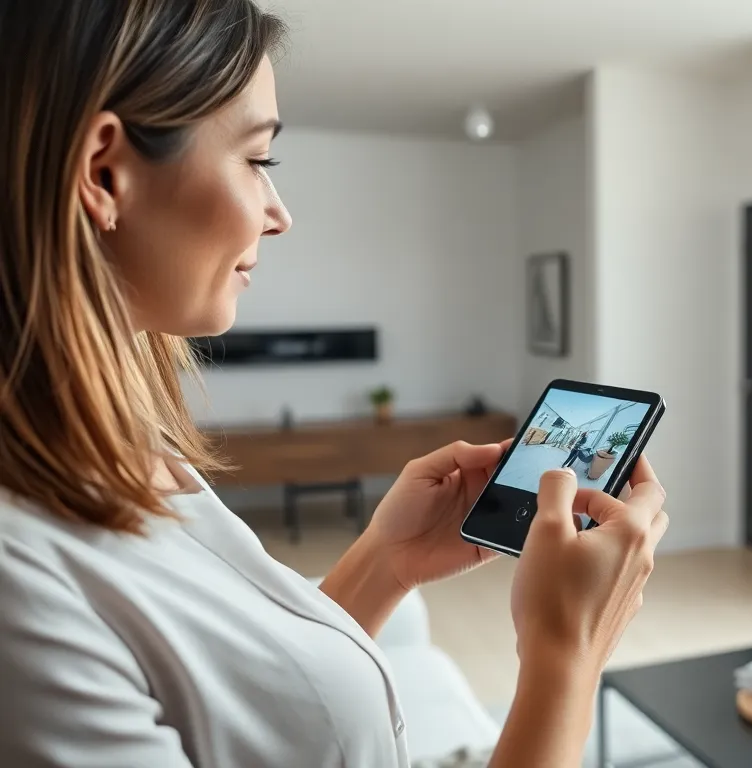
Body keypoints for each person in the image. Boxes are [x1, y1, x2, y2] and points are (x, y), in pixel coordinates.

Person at [0, 2, 669, 767]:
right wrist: (566, 660)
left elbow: (256, 712)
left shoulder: (115, 448)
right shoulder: (19, 586)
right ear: (103, 173)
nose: (279, 214)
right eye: (259, 161)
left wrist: (386, 562)